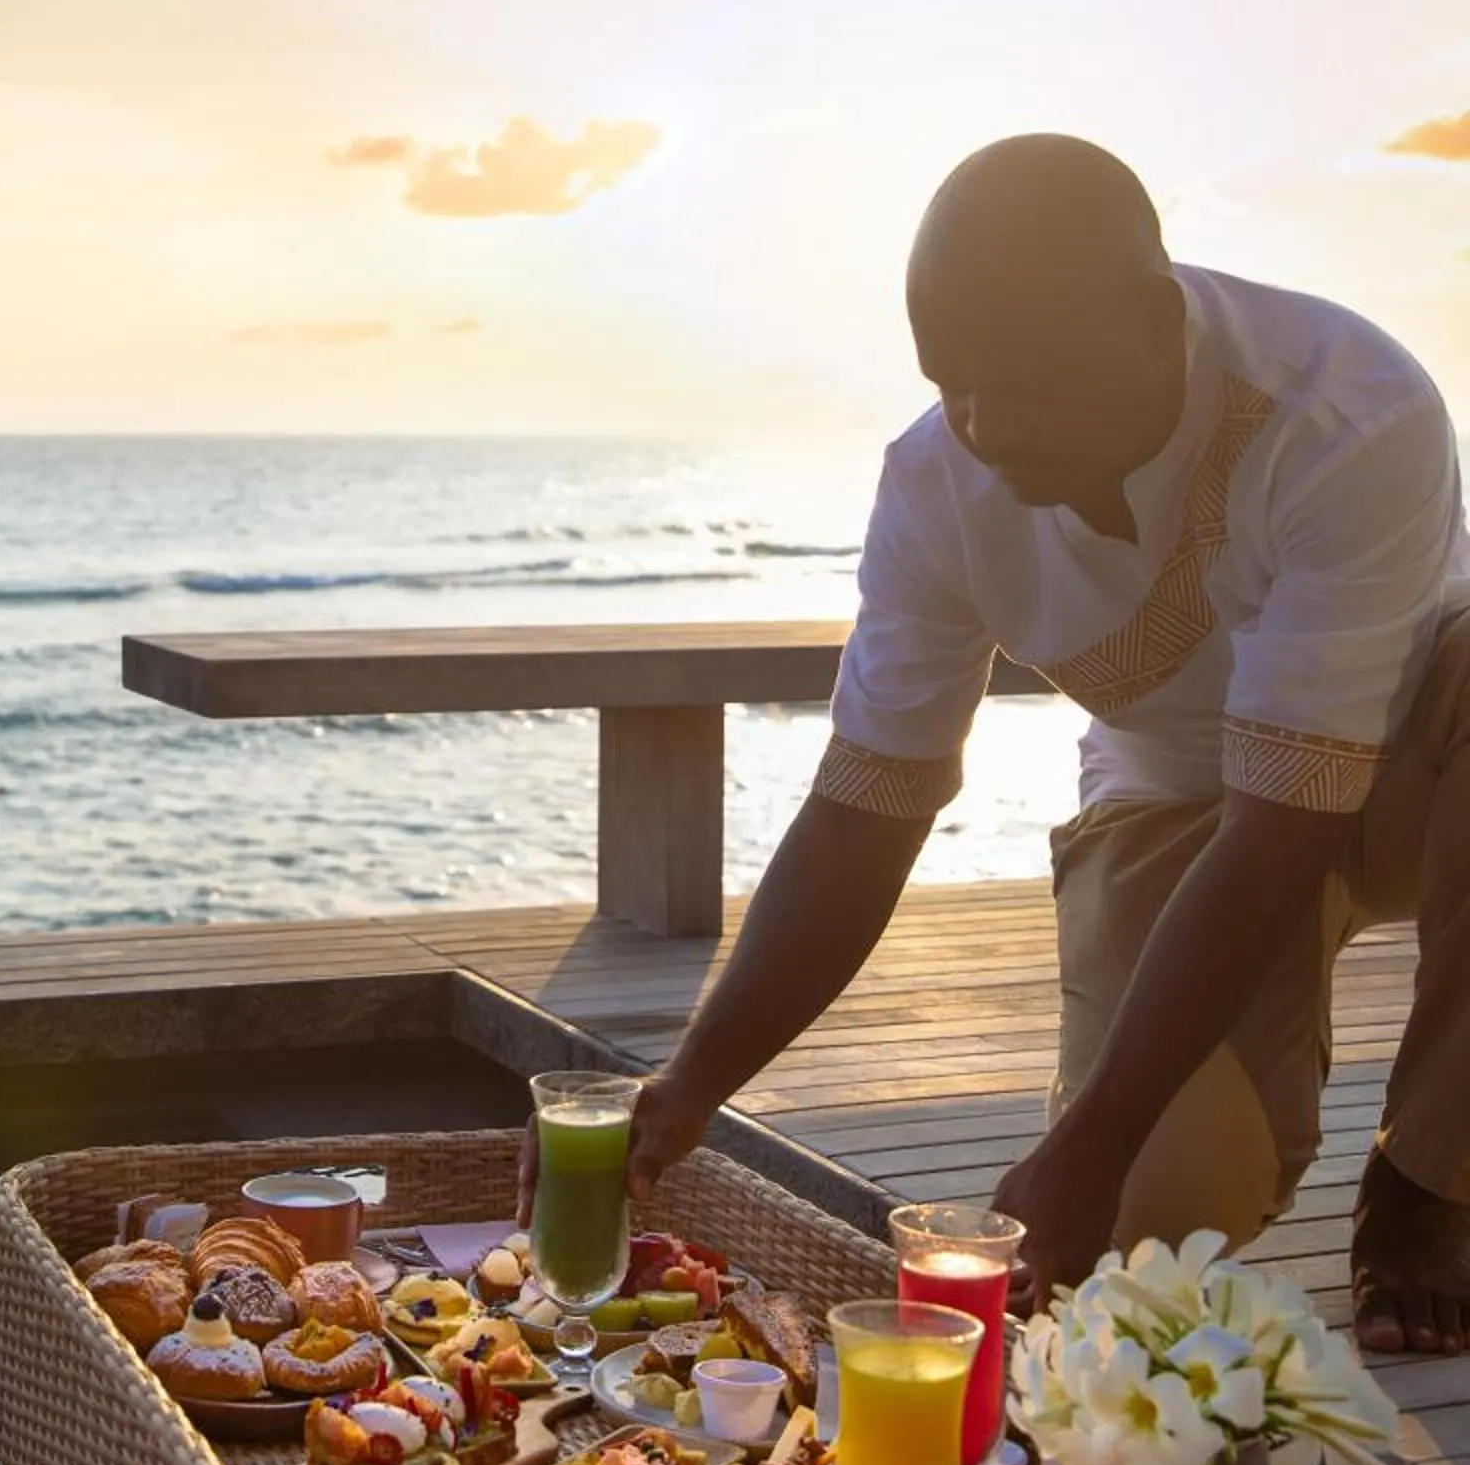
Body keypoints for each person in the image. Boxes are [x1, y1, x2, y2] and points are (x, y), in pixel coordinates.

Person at [619, 134, 1470, 1354]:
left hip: (1415, 768)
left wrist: (1084, 1135)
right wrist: (691, 1081)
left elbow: (1287, 828)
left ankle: (1429, 1176)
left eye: (1022, 382)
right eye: (948, 382)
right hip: (1174, 802)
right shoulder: (930, 485)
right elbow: (866, 808)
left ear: (1148, 319)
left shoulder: (1344, 411)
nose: (984, 425)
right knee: (1138, 1220)